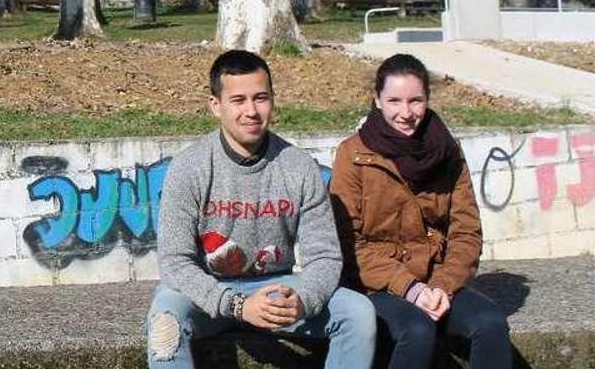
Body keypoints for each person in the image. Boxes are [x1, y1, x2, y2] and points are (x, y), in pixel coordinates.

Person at [147, 49, 376, 369]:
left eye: (261, 98)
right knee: (165, 321)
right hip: (206, 293)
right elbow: (174, 263)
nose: (251, 111)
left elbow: (324, 256)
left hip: (276, 291)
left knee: (358, 312)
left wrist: (304, 300)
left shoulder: (298, 166)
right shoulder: (190, 167)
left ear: (272, 100)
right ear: (216, 105)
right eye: (238, 100)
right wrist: (237, 305)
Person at [330, 53, 509, 368]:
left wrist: (443, 285)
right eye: (394, 100)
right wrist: (409, 288)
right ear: (377, 100)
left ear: (427, 99)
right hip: (375, 284)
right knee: (416, 329)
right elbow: (347, 241)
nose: (406, 112)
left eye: (416, 100)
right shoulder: (352, 154)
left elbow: (466, 231)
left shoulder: (448, 151)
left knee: (491, 323)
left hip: (436, 280)